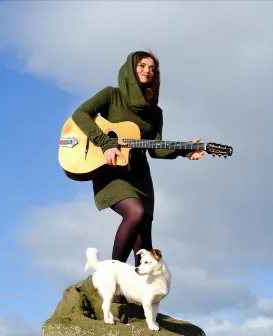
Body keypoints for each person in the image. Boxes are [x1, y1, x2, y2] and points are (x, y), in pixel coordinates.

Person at [71, 50, 204, 302]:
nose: (147, 71)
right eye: (142, 66)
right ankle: (111, 278)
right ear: (131, 69)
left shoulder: (155, 112)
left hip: (140, 175)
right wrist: (105, 142)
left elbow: (156, 149)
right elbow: (80, 115)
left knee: (143, 242)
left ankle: (132, 301)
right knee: (135, 213)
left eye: (152, 68)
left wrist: (186, 151)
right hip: (112, 169)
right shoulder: (111, 95)